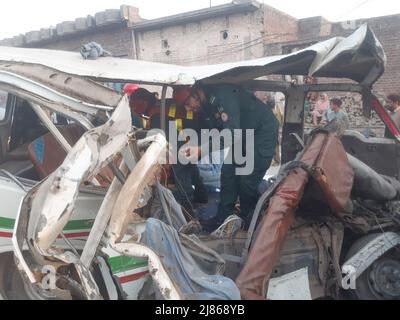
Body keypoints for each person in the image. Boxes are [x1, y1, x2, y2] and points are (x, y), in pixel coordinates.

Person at [173, 84, 279, 231]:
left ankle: (249, 224)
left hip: (261, 132)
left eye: (187, 103)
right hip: (241, 134)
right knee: (228, 174)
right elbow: (208, 131)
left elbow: (231, 134)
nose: (187, 109)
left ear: (196, 94)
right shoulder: (205, 105)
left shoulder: (223, 95)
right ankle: (223, 219)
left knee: (246, 180)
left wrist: (202, 150)